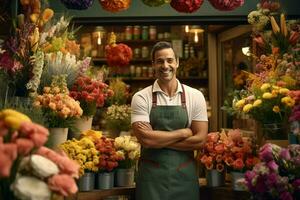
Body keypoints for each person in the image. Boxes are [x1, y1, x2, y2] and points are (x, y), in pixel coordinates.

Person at [131, 41, 208, 200]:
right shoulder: (141, 97)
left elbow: (200, 140)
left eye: (170, 60)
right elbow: (146, 139)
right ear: (153, 64)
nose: (165, 66)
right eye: (159, 61)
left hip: (184, 178)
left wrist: (157, 140)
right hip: (151, 181)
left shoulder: (195, 96)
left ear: (177, 62)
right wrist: (183, 132)